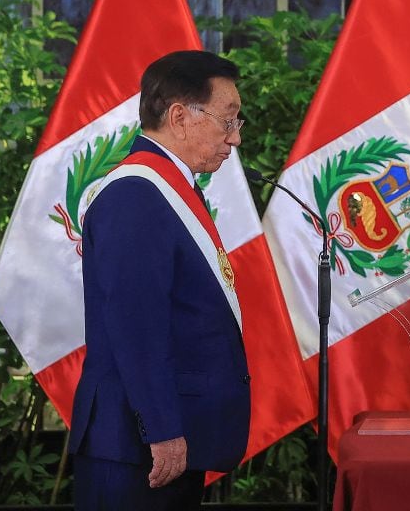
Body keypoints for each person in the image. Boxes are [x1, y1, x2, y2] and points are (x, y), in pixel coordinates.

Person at [69, 50, 251, 510]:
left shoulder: (168, 188)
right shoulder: (136, 194)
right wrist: (163, 428)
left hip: (162, 440)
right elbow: (136, 325)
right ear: (179, 117)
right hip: (137, 445)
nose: (235, 138)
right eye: (228, 119)